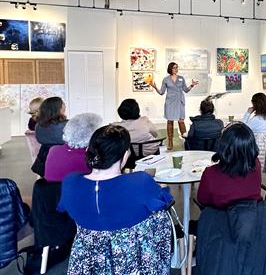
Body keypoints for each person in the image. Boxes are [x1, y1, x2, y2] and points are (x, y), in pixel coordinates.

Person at [58, 125, 174, 273]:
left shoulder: (70, 183)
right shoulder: (140, 182)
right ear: (126, 154)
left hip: (88, 260)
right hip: (134, 259)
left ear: (89, 151)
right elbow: (163, 202)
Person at [197, 122, 262, 208]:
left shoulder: (210, 174)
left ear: (223, 146)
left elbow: (202, 200)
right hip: (253, 217)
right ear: (251, 145)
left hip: (221, 219)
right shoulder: (256, 164)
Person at [151, 62, 199, 150]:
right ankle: (170, 141)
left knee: (181, 121)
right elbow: (161, 92)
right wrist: (155, 87)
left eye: (177, 67)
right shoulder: (166, 79)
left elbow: (185, 90)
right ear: (170, 69)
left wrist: (192, 85)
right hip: (170, 102)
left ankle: (186, 140)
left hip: (180, 102)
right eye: (174, 68)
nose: (176, 69)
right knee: (170, 121)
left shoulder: (181, 78)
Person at [44, 113, 102, 182]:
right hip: (78, 192)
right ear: (92, 135)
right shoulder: (90, 159)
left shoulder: (53, 150)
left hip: (50, 192)